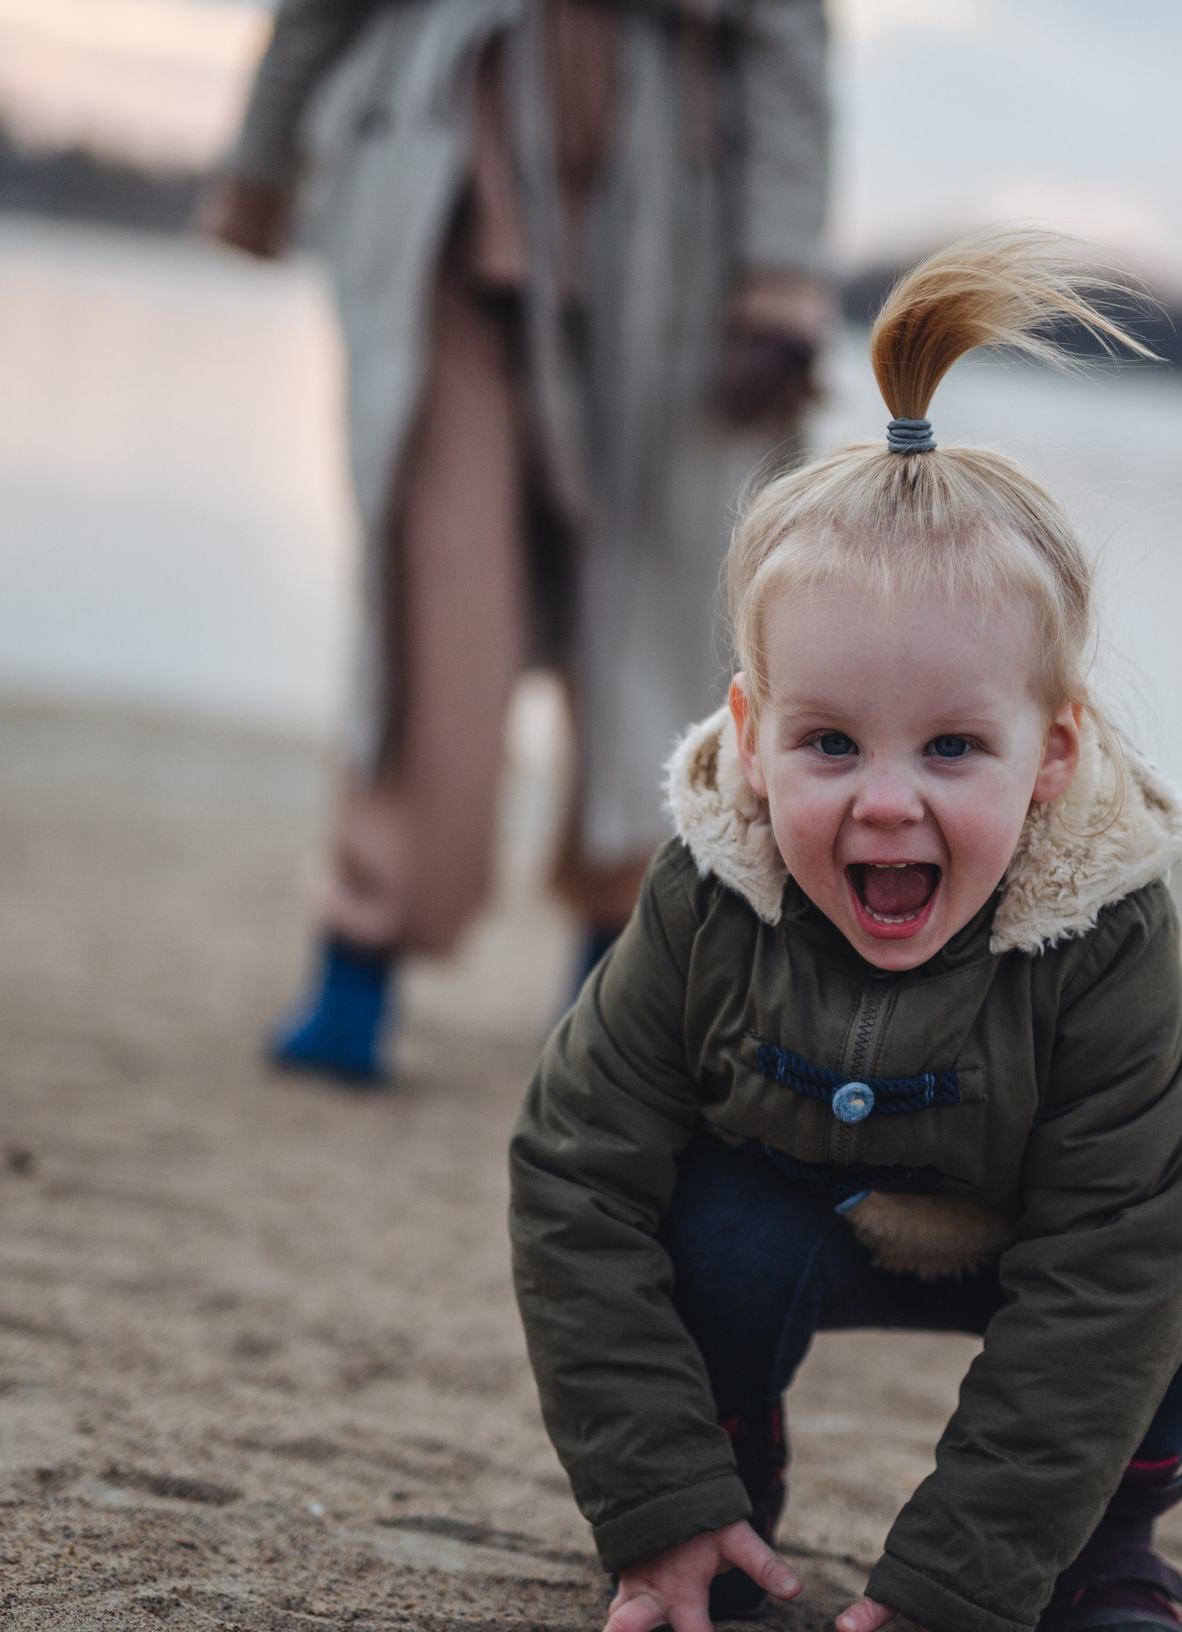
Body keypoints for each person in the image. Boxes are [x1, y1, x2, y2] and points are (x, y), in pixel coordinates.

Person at [509, 231, 1182, 1632]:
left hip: (1032, 1223)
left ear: (1051, 750)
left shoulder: (1102, 927)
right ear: (750, 728)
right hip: (792, 1212)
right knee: (696, 1210)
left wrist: (982, 1568)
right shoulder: (711, 887)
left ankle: (1100, 1545)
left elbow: (1121, 1245)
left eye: (952, 746)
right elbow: (573, 1167)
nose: (884, 799)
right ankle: (721, 1476)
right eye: (829, 741)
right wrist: (652, 1495)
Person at [207, 0, 832, 1080]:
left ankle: (624, 979)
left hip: (674, 240)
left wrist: (778, 275)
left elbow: (786, 45)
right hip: (438, 207)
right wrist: (259, 167)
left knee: (662, 613)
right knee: (431, 589)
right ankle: (360, 946)